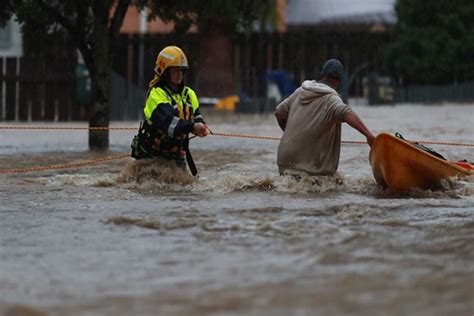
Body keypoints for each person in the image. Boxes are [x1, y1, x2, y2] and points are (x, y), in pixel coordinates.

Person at [274, 58, 375, 176]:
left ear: (321, 75)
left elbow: (279, 112)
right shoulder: (331, 99)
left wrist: (289, 134)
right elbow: (346, 112)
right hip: (307, 167)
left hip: (284, 161)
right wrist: (368, 135)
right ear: (339, 81)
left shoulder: (300, 91)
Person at [131, 46, 208, 175]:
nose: (180, 74)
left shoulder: (189, 94)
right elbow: (169, 124)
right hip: (151, 157)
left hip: (177, 157)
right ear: (165, 71)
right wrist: (193, 126)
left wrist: (201, 127)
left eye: (182, 71)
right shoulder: (156, 95)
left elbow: (197, 117)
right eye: (175, 70)